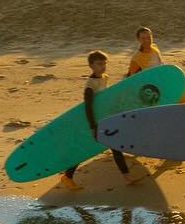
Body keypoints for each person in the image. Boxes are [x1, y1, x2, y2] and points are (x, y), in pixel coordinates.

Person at [60, 50, 140, 191]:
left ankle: (127, 176)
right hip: (93, 122)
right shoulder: (90, 86)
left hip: (105, 119)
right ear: (91, 65)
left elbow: (105, 99)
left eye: (104, 63)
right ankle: (67, 176)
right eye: (99, 64)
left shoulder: (104, 77)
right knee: (85, 149)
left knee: (115, 146)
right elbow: (88, 108)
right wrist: (92, 126)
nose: (103, 66)